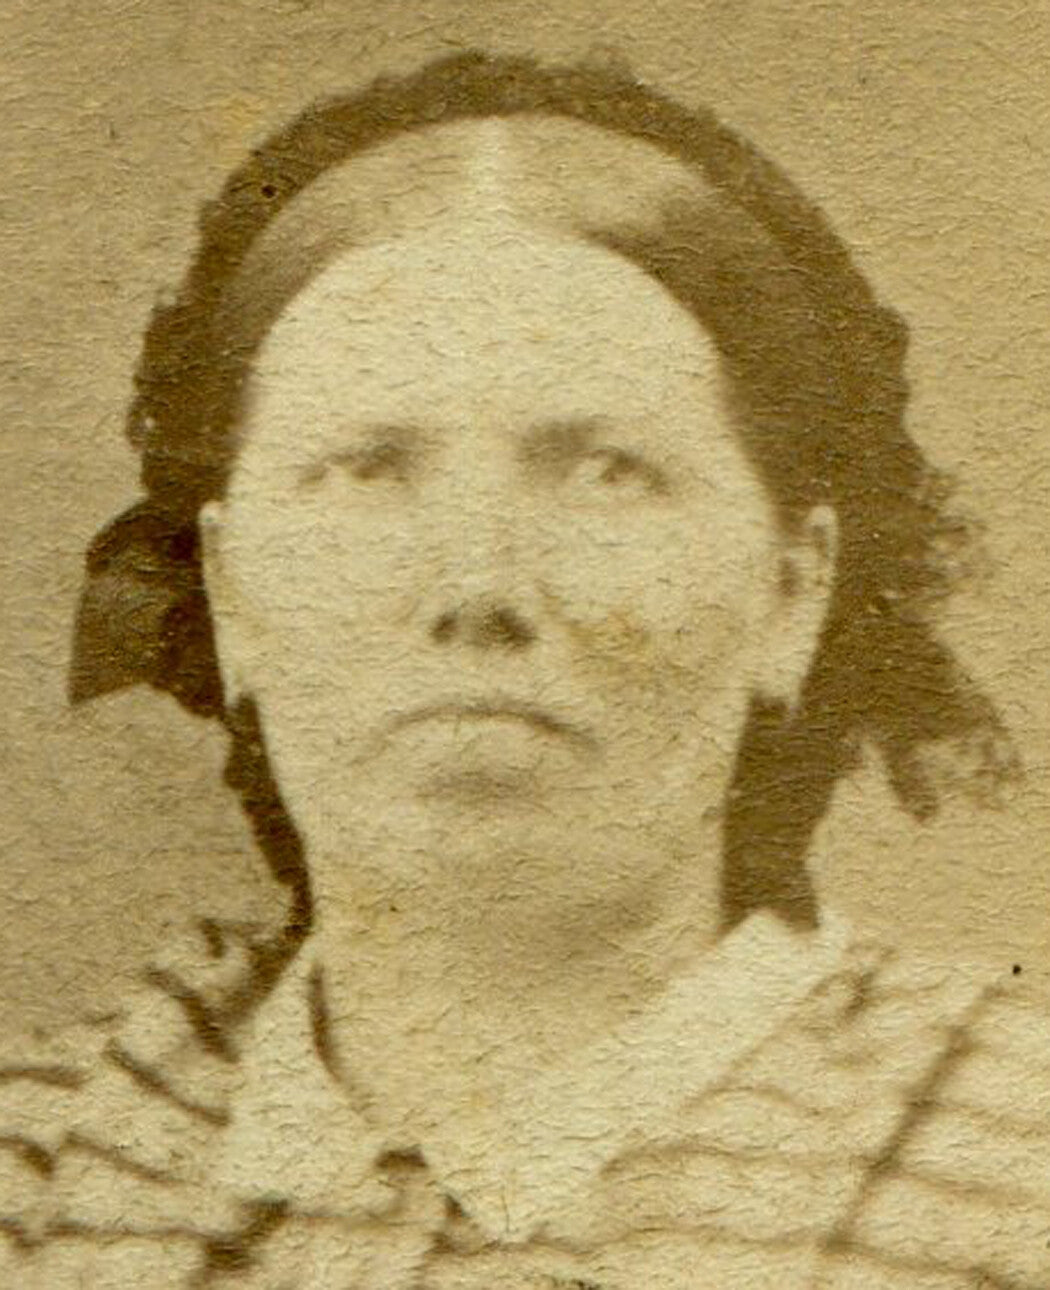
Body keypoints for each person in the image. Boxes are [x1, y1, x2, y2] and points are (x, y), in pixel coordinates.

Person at [1, 49, 1043, 1290]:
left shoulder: (1017, 1163)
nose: (478, 588)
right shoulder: (45, 1159)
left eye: (610, 470)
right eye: (367, 470)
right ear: (231, 598)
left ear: (792, 587)